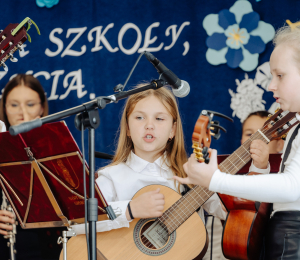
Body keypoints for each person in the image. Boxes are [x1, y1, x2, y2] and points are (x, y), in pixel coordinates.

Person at [174, 23, 300, 259]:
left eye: (280, 75)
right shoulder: (296, 124)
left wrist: (215, 180)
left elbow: (292, 188)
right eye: (271, 75)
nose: (271, 85)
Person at [72, 85, 226, 241]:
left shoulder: (192, 174)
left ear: (172, 130)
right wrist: (129, 210)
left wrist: (252, 166)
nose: (149, 125)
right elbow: (76, 224)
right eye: (140, 117)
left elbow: (226, 211)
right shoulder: (111, 177)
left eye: (159, 118)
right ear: (128, 129)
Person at [0, 74, 63, 260]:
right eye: (14, 105)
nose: (22, 113)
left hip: (50, 250)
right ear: (4, 108)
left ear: (42, 108)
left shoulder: (61, 149)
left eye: (30, 104)